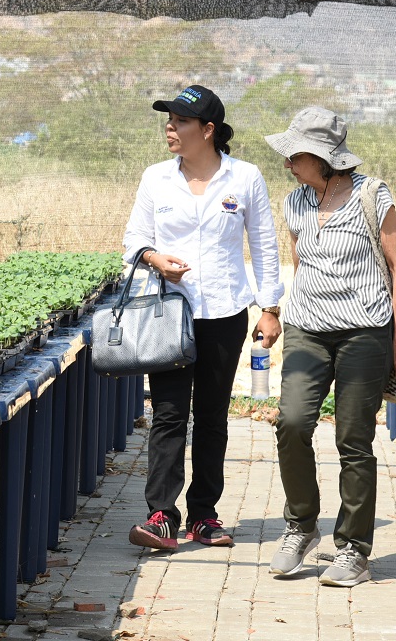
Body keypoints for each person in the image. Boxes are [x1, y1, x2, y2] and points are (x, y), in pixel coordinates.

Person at [123, 84, 284, 551]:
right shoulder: (156, 178)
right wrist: (155, 258)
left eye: (180, 121)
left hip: (225, 311)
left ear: (208, 130)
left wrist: (270, 308)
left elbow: (265, 245)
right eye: (168, 121)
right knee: (169, 414)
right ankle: (160, 515)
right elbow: (133, 238)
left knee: (212, 415)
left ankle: (204, 516)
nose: (170, 129)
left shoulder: (245, 177)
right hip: (169, 314)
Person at [263, 106, 396, 587]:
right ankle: (301, 526)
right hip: (308, 330)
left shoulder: (373, 195)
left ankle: (353, 548)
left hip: (364, 333)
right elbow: (301, 263)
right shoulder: (294, 202)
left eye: (297, 155)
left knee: (354, 440)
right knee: (291, 422)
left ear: (326, 159)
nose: (289, 163)